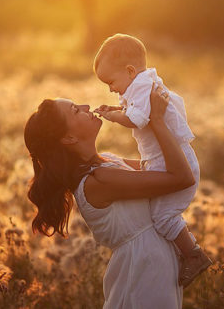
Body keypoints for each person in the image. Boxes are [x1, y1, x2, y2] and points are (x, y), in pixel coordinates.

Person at [24, 84, 194, 308]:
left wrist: (139, 114)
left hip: (152, 265)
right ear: (69, 139)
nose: (86, 106)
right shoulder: (98, 181)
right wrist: (157, 120)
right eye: (75, 109)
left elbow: (165, 167)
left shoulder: (107, 161)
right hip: (143, 271)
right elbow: (181, 177)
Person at [92, 33, 212, 287]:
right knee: (159, 213)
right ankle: (180, 254)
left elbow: (138, 119)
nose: (111, 89)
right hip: (160, 162)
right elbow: (133, 111)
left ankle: (193, 254)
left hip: (172, 163)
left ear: (130, 70)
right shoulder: (139, 84)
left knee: (163, 217)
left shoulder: (144, 85)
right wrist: (115, 110)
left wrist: (114, 117)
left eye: (111, 82)